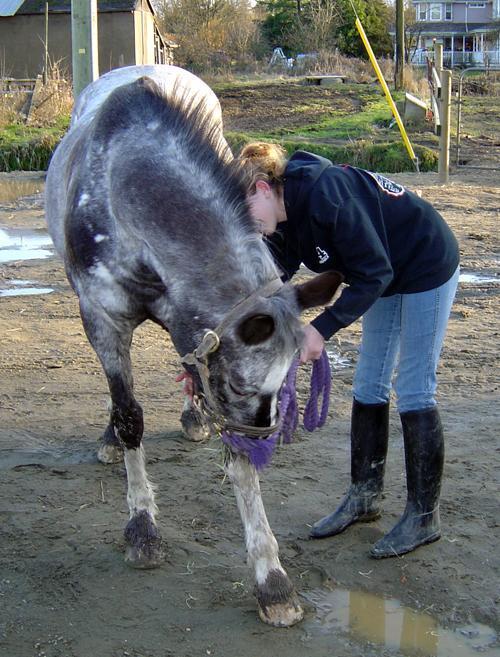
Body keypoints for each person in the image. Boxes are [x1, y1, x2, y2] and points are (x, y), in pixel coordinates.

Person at [236, 142, 460, 558]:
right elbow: (273, 285)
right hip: (385, 274)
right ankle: (365, 495)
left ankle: (424, 517)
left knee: (414, 387)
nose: (247, 224)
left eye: (244, 208)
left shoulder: (326, 196)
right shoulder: (281, 222)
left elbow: (373, 273)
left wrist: (320, 331)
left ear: (264, 188)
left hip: (425, 262)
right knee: (369, 382)